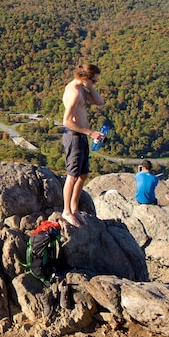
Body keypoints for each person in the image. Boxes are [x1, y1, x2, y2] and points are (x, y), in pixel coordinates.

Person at [60, 62, 105, 227]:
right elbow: (66, 121)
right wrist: (90, 132)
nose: (95, 84)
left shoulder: (80, 89)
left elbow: (99, 102)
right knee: (72, 176)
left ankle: (74, 208)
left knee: (83, 174)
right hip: (74, 136)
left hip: (81, 135)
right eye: (94, 81)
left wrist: (90, 86)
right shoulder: (73, 92)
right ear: (85, 77)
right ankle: (66, 211)